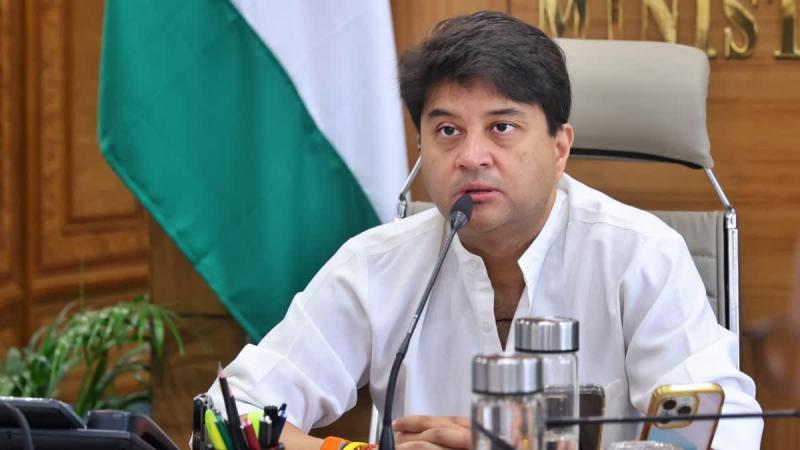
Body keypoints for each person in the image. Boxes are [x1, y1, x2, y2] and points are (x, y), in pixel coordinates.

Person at [206, 11, 762, 449]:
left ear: (559, 147)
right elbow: (225, 417)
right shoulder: (375, 264)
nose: (471, 156)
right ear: (421, 148)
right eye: (448, 130)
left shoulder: (640, 254)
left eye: (502, 127)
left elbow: (724, 432)